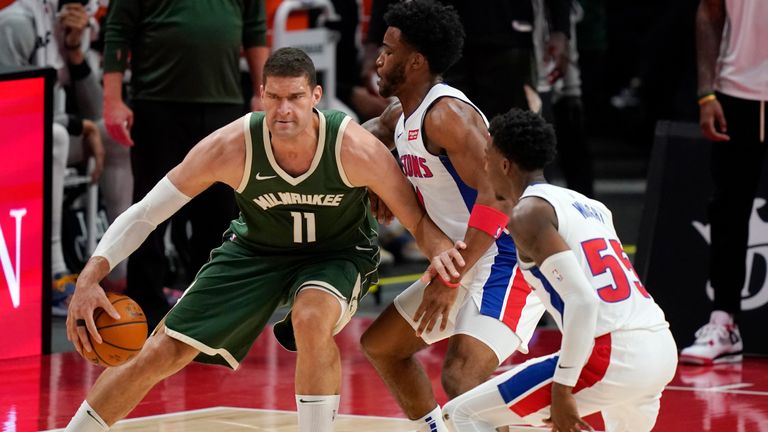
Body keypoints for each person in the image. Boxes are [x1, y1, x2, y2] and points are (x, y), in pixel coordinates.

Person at [63, 47, 457, 432]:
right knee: (161, 350)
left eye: (296, 97)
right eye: (275, 97)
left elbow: (418, 223)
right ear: (261, 95)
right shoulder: (231, 146)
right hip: (256, 251)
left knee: (310, 318)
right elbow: (147, 212)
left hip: (337, 254)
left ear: (315, 97)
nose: (284, 110)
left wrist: (445, 262)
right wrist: (89, 277)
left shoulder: (354, 148)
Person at [359, 2, 544, 431]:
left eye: (388, 50)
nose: (379, 59)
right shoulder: (399, 115)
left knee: (462, 377)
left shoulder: (447, 116)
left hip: (504, 255)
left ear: (417, 61)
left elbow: (500, 197)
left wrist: (449, 280)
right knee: (383, 346)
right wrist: (377, 180)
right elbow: (360, 143)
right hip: (461, 258)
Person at [434, 108, 677, 432]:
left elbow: (584, 301)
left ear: (504, 164)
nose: (484, 166)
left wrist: (562, 388)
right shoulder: (592, 206)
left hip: (612, 352)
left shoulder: (527, 213)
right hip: (660, 345)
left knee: (463, 413)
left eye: (487, 157)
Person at [102, 0, 270, 328]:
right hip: (157, 103)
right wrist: (112, 99)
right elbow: (117, 30)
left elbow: (254, 32)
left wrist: (261, 93)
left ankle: (207, 312)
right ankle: (144, 313)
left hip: (223, 104)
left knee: (219, 214)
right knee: (150, 211)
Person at [0, 0, 105, 315]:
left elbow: (96, 112)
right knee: (55, 136)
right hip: (12, 130)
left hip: (39, 129)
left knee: (115, 134)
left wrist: (75, 52)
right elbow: (12, 109)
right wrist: (77, 125)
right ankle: (53, 270)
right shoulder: (16, 23)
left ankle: (119, 274)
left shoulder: (70, 25)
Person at [679, 0, 768, 365]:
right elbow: (710, 12)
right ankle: (724, 323)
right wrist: (706, 91)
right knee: (728, 208)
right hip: (734, 91)